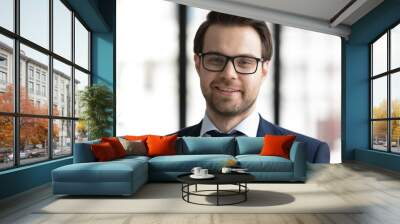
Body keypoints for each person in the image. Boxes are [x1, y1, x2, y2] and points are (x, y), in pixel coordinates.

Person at [177, 11, 329, 163]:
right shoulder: (159, 153)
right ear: (198, 64)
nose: (229, 74)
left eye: (244, 61)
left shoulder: (310, 155)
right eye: (216, 60)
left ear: (264, 69)